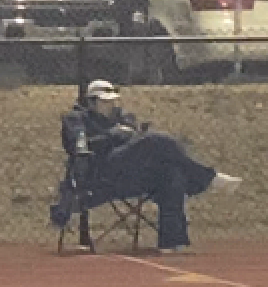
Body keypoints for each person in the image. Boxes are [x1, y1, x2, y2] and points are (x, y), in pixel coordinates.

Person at [57, 79, 240, 255]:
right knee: (155, 140)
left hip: (132, 174)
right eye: (104, 102)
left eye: (112, 101)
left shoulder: (124, 117)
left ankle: (170, 241)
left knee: (171, 173)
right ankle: (207, 178)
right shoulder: (77, 119)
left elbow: (136, 140)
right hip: (102, 172)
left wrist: (129, 135)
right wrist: (111, 135)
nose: (110, 106)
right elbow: (79, 148)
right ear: (91, 102)